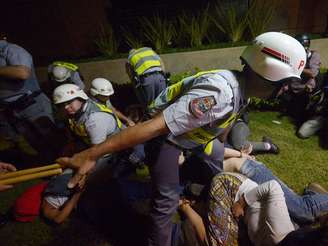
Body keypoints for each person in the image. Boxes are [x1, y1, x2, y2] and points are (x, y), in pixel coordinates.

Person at [57, 32, 307, 246]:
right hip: (167, 140)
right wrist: (90, 154)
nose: (285, 89)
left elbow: (222, 124)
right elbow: (151, 128)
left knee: (213, 164)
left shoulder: (241, 90)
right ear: (269, 71)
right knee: (166, 201)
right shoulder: (219, 93)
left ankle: (198, 195)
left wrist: (216, 149)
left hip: (189, 138)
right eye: (285, 82)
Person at [179, 172, 328, 246]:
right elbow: (272, 187)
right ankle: (186, 205)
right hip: (231, 187)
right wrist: (242, 203)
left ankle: (202, 201)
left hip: (245, 217)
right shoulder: (279, 232)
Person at [0, 33, 60, 163]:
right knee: (34, 142)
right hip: (12, 109)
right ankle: (51, 169)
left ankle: (68, 170)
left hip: (31, 104)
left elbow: (22, 73)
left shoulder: (11, 50)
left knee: (52, 139)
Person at [223, 157, 328, 225]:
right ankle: (314, 193)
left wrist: (241, 203)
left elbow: (271, 186)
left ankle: (316, 196)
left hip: (248, 170)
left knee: (303, 210)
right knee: (297, 221)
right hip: (243, 170)